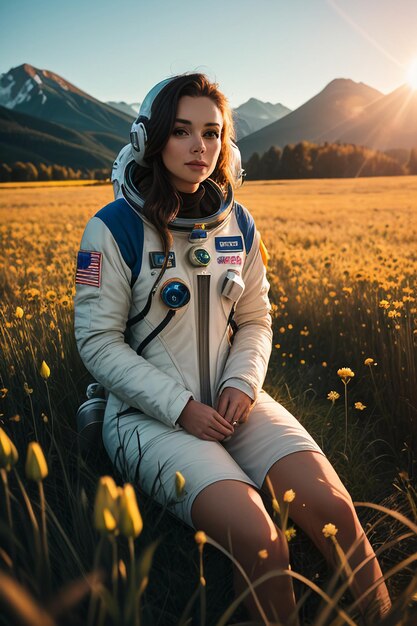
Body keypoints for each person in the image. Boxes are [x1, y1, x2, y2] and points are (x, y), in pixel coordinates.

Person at [74, 73, 391, 624]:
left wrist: (241, 384)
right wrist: (179, 408)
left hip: (231, 399)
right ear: (149, 139)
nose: (201, 146)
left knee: (336, 510)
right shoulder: (113, 228)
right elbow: (97, 342)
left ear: (227, 144)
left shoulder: (238, 223)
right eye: (182, 131)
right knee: (261, 537)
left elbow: (255, 319)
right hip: (147, 417)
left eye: (213, 133)